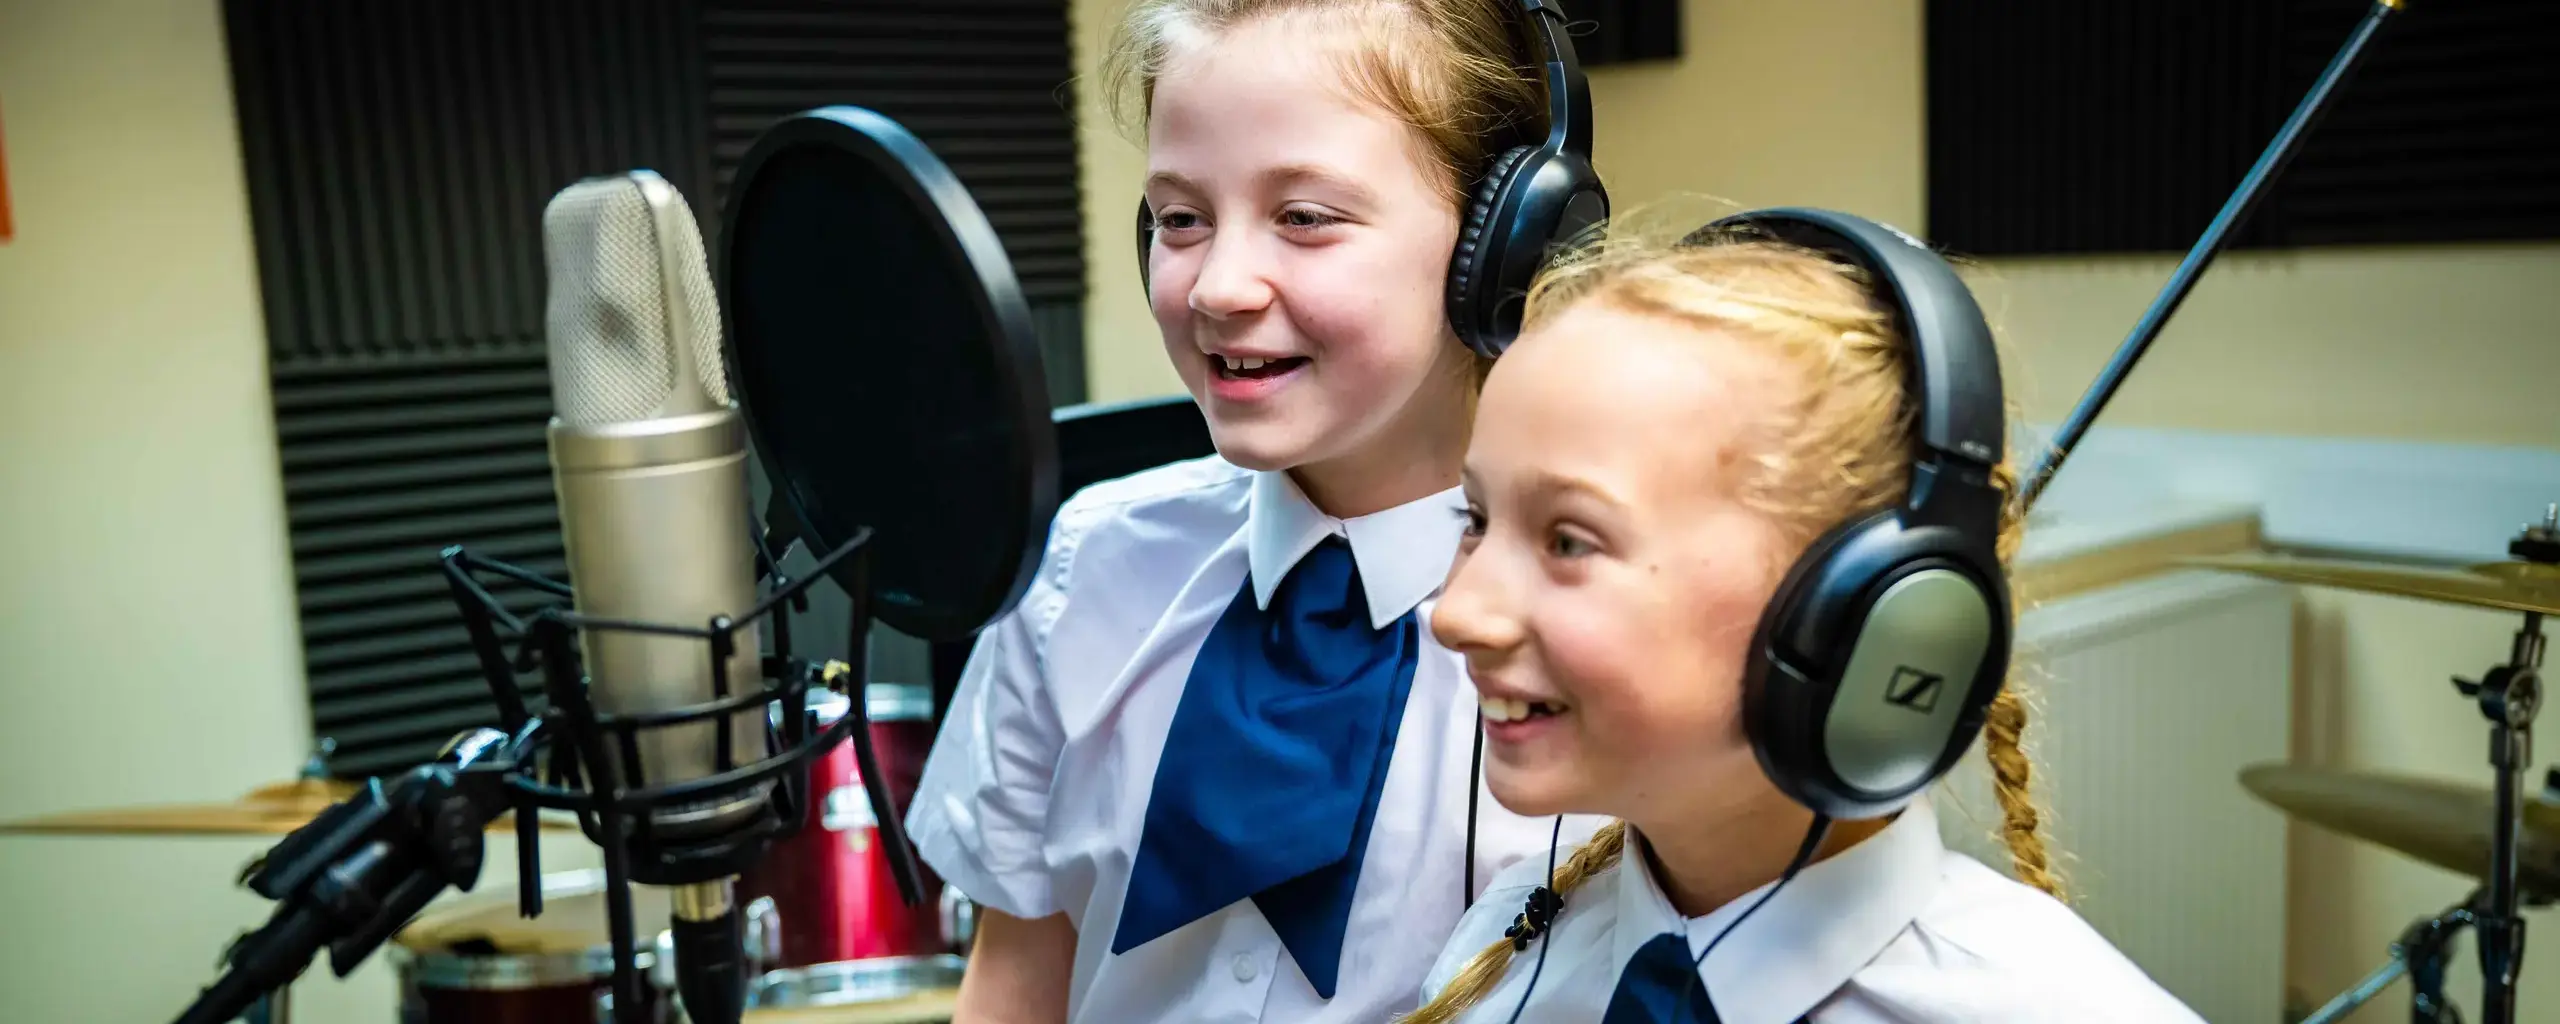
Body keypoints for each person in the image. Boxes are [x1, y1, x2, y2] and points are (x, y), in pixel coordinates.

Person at [904, 2, 1608, 1020]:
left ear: (1503, 240)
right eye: (1182, 219)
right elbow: (1015, 983)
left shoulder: (1617, 618)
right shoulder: (1079, 574)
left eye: (1305, 216)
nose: (1220, 287)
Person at [1405, 214, 2211, 1023]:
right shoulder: (1505, 949)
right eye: (1474, 518)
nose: (1457, 613)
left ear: (1864, 610)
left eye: (1570, 540)